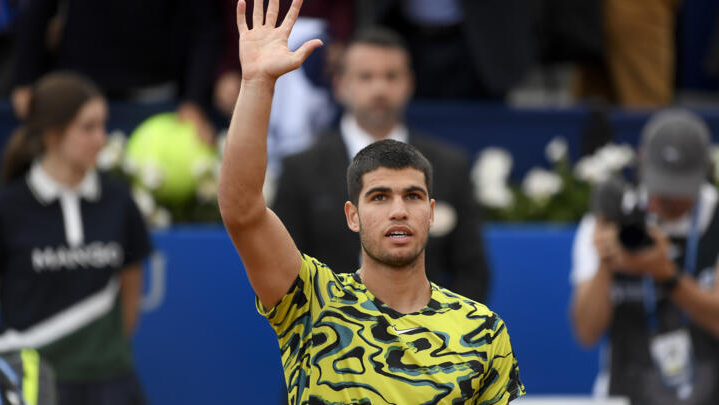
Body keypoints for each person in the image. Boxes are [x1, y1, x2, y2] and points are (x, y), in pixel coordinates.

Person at [218, 1, 525, 403]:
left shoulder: (482, 329)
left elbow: (475, 270)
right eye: (379, 196)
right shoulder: (314, 304)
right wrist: (257, 84)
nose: (398, 209)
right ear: (353, 214)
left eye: (413, 196)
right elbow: (242, 211)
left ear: (430, 213)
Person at [273, 26, 491, 303]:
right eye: (366, 77)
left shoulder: (449, 167)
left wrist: (432, 332)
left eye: (391, 76)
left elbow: (473, 272)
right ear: (340, 85)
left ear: (409, 83)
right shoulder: (299, 170)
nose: (380, 88)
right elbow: (285, 273)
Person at [0, 72, 152, 405]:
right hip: (32, 383)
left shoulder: (118, 201)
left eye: (103, 125)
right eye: (88, 127)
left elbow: (131, 286)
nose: (101, 138)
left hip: (113, 381)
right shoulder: (9, 207)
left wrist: (106, 352)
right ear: (52, 135)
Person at [570, 109, 719, 404]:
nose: (669, 200)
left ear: (704, 172)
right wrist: (606, 263)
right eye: (662, 186)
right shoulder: (609, 222)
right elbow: (586, 332)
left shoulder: (715, 219)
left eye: (680, 188)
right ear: (641, 163)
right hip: (626, 390)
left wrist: (666, 274)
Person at [11, 0, 221, 142]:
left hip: (155, 101)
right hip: (76, 94)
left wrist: (195, 102)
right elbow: (38, 10)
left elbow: (204, 26)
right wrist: (24, 79)